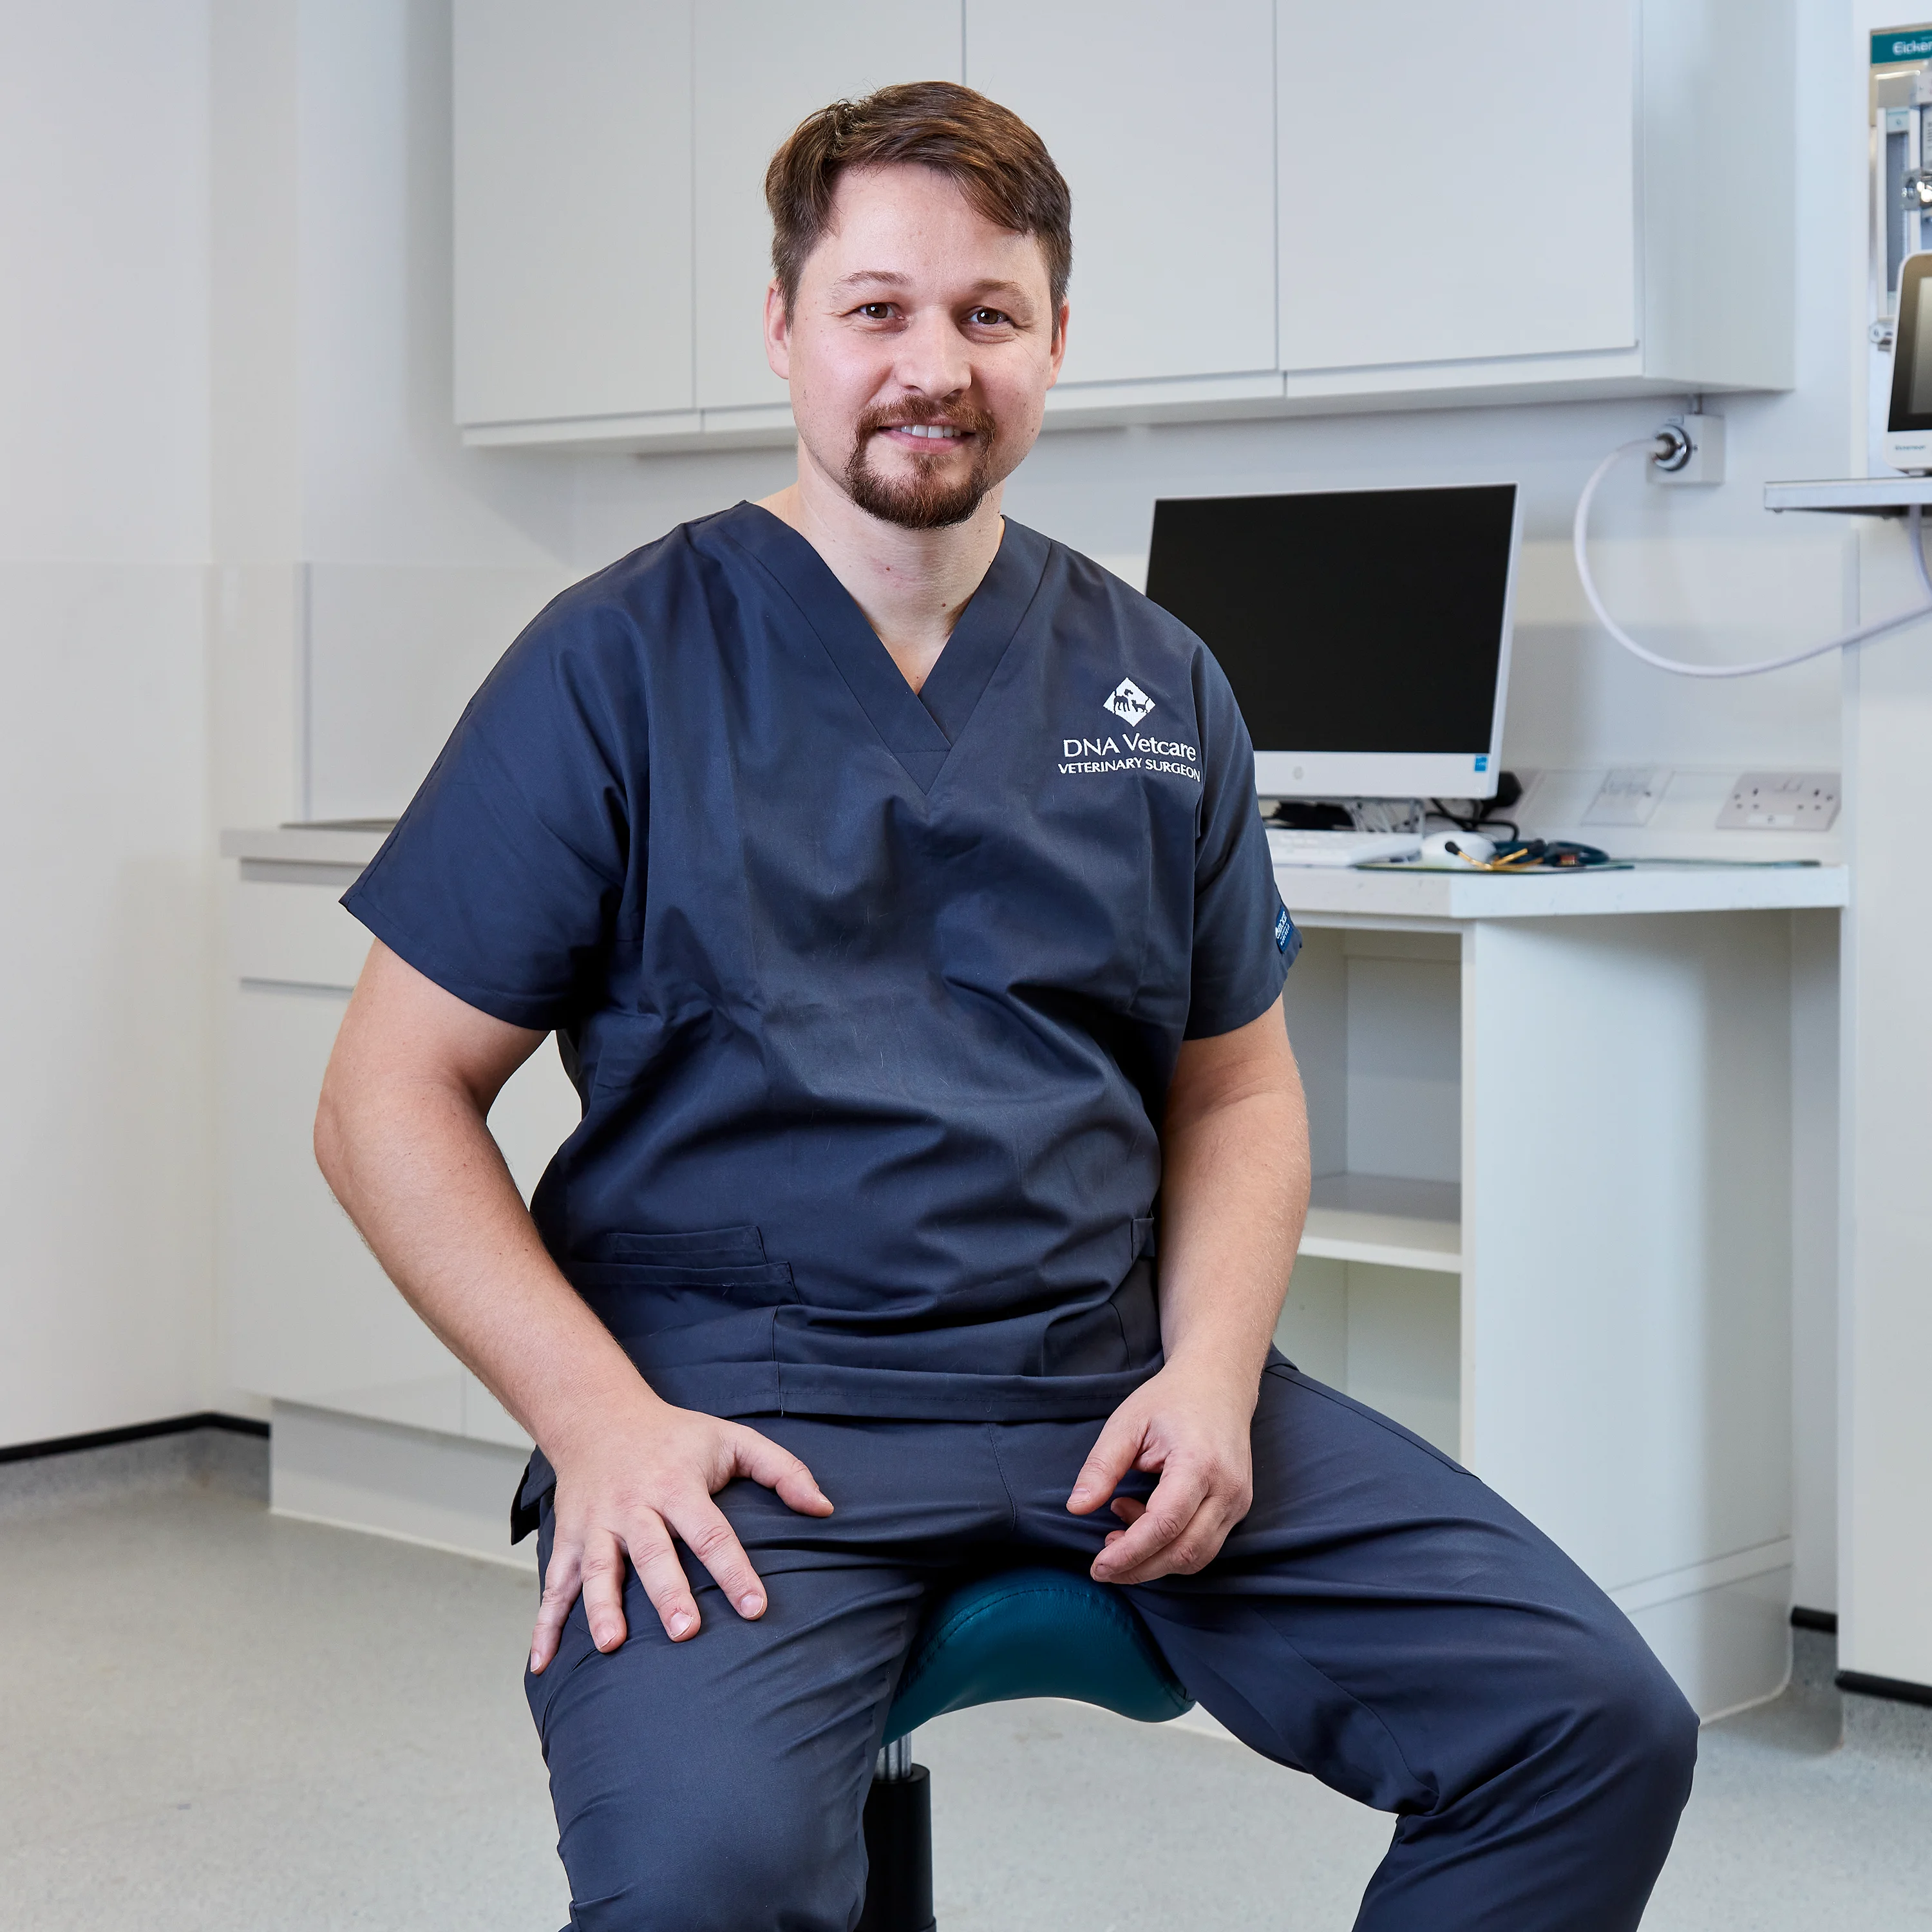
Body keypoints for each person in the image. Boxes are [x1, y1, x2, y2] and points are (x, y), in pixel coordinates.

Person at [314, 80, 1696, 1932]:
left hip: (1109, 1388)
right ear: (787, 331)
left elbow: (1237, 1097)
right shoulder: (615, 663)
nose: (930, 363)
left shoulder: (1155, 676)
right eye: (878, 307)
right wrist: (597, 1423)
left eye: (987, 313)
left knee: (1593, 1724)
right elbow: (386, 1097)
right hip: (743, 1418)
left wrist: (1210, 1375)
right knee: (703, 1887)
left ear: (1056, 338)